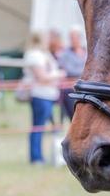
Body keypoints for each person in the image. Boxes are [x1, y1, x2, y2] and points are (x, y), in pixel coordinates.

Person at [24, 31, 65, 164]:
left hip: (48, 94)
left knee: (44, 126)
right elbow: (42, 77)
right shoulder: (35, 55)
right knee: (38, 126)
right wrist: (59, 74)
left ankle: (41, 156)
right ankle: (36, 157)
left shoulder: (43, 54)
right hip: (40, 95)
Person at [57, 26, 87, 121]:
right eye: (71, 38)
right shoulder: (65, 54)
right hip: (70, 90)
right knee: (74, 118)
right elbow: (69, 70)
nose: (73, 40)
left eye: (75, 37)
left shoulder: (87, 51)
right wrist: (86, 71)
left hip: (86, 90)